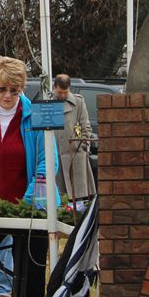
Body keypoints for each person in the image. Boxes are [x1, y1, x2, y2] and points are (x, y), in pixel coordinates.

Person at [0, 57, 54, 297]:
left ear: (22, 89)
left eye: (14, 91)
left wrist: (27, 202)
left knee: (30, 265)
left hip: (25, 203)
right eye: (2, 89)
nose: (7, 96)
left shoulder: (34, 114)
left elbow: (46, 162)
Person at [52, 74, 95, 202]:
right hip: (56, 156)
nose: (63, 95)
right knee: (59, 196)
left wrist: (82, 147)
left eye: (66, 92)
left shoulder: (78, 102)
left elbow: (85, 126)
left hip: (75, 155)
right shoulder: (47, 101)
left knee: (79, 197)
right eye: (60, 92)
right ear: (54, 88)